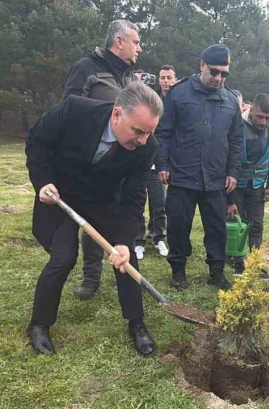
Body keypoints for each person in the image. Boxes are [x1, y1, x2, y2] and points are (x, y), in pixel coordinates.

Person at [26, 82, 162, 357]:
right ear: (116, 115)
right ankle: (39, 324)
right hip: (60, 195)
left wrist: (124, 241)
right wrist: (43, 182)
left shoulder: (146, 147)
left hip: (103, 200)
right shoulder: (74, 111)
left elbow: (134, 196)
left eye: (149, 133)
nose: (143, 140)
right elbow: (37, 141)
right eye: (138, 131)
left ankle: (136, 322)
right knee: (63, 258)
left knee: (124, 257)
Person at [63, 20, 141, 300]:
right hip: (92, 159)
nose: (139, 48)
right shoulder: (86, 68)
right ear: (119, 41)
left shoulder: (131, 77)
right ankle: (90, 276)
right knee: (90, 219)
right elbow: (69, 110)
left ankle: (127, 273)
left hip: (122, 159)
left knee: (122, 214)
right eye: (135, 41)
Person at [156, 44, 242, 290]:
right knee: (178, 225)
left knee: (216, 228)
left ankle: (216, 272)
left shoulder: (231, 101)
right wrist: (162, 163)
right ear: (202, 64)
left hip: (216, 178)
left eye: (224, 74)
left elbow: (236, 140)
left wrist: (233, 172)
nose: (219, 78)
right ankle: (178, 270)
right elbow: (164, 132)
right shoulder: (178, 93)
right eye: (214, 72)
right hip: (183, 175)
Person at [227, 93, 269, 279]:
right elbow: (228, 157)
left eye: (267, 118)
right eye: (259, 116)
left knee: (256, 224)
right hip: (236, 184)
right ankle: (238, 263)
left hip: (258, 185)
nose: (263, 121)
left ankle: (255, 263)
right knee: (238, 223)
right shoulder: (237, 125)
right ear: (251, 110)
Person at [133, 66, 175, 261]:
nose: (165, 81)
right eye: (162, 78)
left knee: (159, 204)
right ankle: (138, 240)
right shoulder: (150, 99)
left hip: (159, 163)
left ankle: (159, 237)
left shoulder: (175, 101)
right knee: (138, 203)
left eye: (169, 78)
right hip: (139, 161)